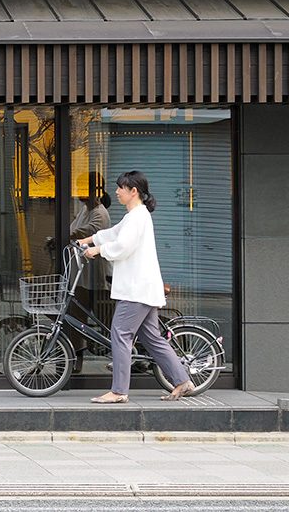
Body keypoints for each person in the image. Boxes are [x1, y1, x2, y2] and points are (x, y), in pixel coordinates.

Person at [76, 170, 194, 404]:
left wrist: (96, 250)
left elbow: (123, 246)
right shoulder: (135, 216)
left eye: (121, 188)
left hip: (136, 290)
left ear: (134, 191)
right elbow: (114, 233)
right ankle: (182, 381)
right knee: (152, 338)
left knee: (120, 334)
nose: (117, 191)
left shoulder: (138, 216)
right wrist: (88, 240)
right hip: (143, 289)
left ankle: (119, 391)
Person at [67, 176, 112, 373]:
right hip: (83, 275)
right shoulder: (86, 210)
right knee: (77, 315)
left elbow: (88, 232)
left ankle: (134, 354)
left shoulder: (99, 213)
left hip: (97, 276)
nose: (79, 193)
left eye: (83, 188)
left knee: (109, 321)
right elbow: (74, 229)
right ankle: (77, 357)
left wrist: (66, 235)